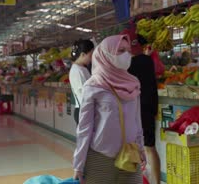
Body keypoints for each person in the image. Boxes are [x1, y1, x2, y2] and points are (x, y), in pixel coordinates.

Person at [73, 35, 144, 184]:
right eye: (120, 50)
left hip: (130, 155)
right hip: (101, 158)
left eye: (128, 50)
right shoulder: (93, 86)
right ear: (106, 54)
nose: (126, 55)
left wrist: (141, 149)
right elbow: (84, 128)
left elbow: (137, 121)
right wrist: (78, 164)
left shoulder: (133, 83)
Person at [124, 30, 161, 184]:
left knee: (136, 148)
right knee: (150, 147)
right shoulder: (147, 61)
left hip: (134, 110)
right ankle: (155, 181)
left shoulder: (126, 65)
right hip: (148, 108)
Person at [69, 39, 95, 125]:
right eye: (91, 55)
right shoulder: (77, 70)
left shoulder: (82, 68)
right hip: (83, 110)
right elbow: (83, 95)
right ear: (83, 54)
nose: (92, 59)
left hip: (86, 110)